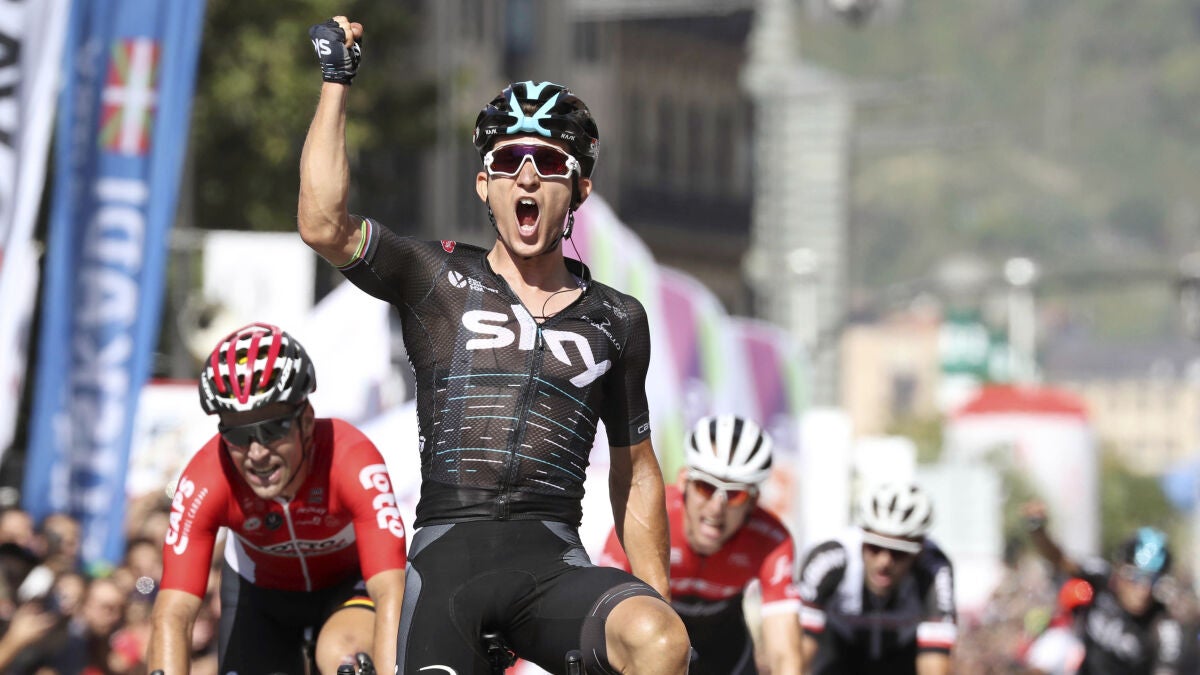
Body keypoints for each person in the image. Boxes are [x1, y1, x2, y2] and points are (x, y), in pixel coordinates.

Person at [298, 15, 690, 675]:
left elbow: (637, 469)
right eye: (508, 161)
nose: (527, 178)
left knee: (659, 641)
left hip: (553, 564)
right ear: (485, 184)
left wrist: (659, 604)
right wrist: (336, 81)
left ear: (580, 189)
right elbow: (322, 224)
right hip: (449, 561)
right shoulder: (436, 277)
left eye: (550, 164)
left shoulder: (618, 318)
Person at [146, 322, 406, 674]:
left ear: (307, 421)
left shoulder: (351, 458)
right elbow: (174, 614)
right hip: (260, 599)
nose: (256, 453)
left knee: (345, 658)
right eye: (238, 435)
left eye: (272, 430)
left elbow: (391, 589)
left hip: (349, 589)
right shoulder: (205, 478)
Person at [600, 414, 803, 674]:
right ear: (684, 482)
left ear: (752, 502)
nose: (717, 507)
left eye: (735, 494)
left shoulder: (772, 540)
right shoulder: (646, 517)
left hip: (725, 657)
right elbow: (601, 621)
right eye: (706, 487)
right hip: (652, 646)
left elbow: (785, 656)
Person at [797, 481, 957, 675]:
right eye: (874, 547)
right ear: (862, 538)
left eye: (899, 553)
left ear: (919, 550)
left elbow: (935, 663)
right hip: (837, 653)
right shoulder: (829, 559)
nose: (884, 562)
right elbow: (798, 655)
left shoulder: (934, 568)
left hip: (901, 657)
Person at [1023, 501, 1186, 674]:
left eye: (1153, 580)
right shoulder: (1101, 580)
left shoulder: (1164, 627)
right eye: (1135, 577)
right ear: (1119, 570)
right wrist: (1038, 530)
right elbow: (1059, 559)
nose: (1143, 589)